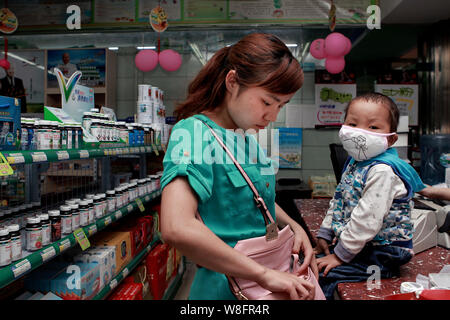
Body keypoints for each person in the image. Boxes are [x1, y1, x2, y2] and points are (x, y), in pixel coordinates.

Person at [160, 33, 318, 300]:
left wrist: (294, 226)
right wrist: (264, 275)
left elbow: (253, 197)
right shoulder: (193, 132)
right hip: (229, 286)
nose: (272, 116)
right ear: (232, 82)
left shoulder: (244, 135)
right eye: (267, 102)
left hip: (266, 277)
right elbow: (176, 226)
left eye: (281, 105)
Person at [315, 92, 450, 299]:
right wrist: (326, 232)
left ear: (391, 139)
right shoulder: (354, 163)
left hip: (384, 252)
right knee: (310, 265)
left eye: (373, 127)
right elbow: (339, 199)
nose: (360, 132)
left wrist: (340, 256)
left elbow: (367, 219)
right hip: (360, 245)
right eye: (352, 123)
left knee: (323, 274)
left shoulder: (382, 171)